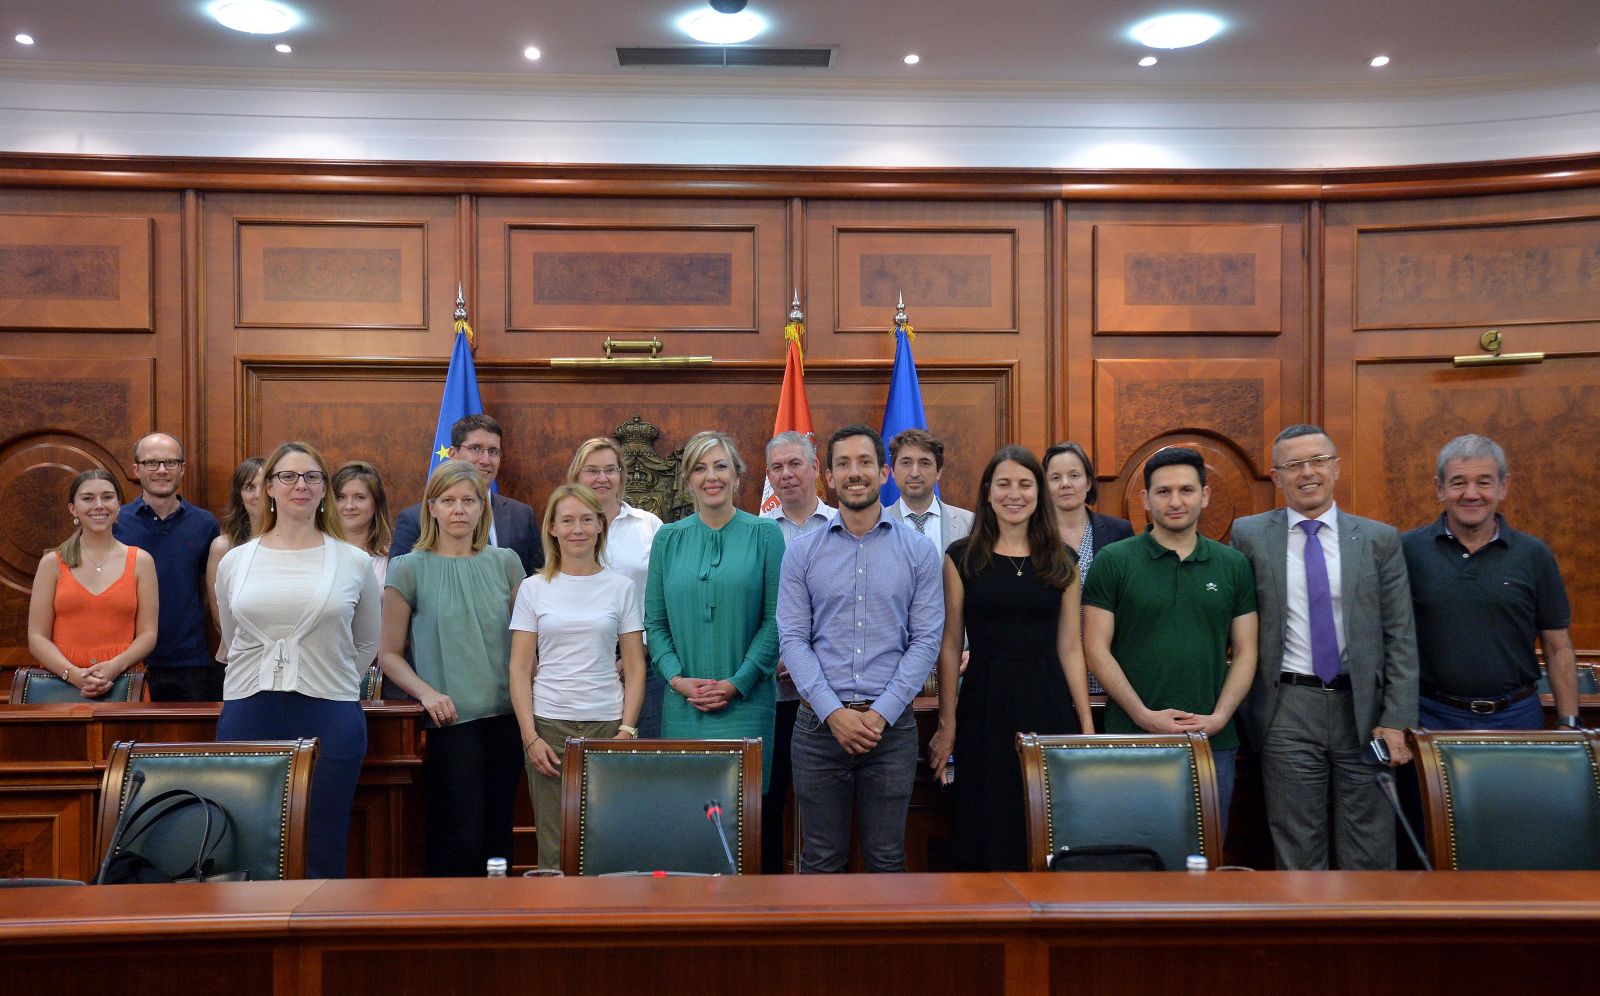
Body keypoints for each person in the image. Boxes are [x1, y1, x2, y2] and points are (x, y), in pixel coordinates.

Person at [1230, 425, 1418, 870]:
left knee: (1370, 844)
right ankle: (1305, 938)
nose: (1307, 473)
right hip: (1287, 707)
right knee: (1296, 842)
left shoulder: (1378, 539)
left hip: (1365, 710)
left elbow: (1401, 636)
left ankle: (1365, 937)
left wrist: (1397, 720)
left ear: (1336, 467)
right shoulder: (1249, 535)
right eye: (1293, 465)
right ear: (1276, 477)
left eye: (1317, 461)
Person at [778, 424, 942, 873]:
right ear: (827, 477)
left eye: (865, 462)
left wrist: (880, 713)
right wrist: (834, 712)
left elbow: (927, 638)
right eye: (843, 464)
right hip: (817, 728)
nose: (855, 473)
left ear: (883, 471)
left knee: (887, 860)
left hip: (891, 730)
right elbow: (793, 638)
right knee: (819, 862)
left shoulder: (919, 551)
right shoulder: (802, 552)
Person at [214, 441, 381, 878]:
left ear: (325, 489)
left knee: (323, 842)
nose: (299, 485)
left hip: (331, 711)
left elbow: (365, 643)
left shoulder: (354, 561)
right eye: (287, 476)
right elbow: (233, 640)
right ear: (269, 487)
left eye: (311, 477)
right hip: (250, 708)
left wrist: (324, 670)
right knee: (246, 841)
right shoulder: (235, 561)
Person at [929, 446, 1091, 871]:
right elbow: (950, 644)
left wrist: (1086, 726)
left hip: (1049, 702)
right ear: (987, 492)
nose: (1014, 494)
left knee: (1047, 817)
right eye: (1004, 484)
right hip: (985, 702)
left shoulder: (1063, 561)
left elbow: (1071, 647)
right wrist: (948, 724)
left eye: (1025, 484)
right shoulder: (961, 558)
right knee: (987, 816)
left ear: (1039, 493)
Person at [1082, 446, 1258, 828]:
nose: (1175, 501)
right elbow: (1095, 648)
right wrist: (1142, 715)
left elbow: (1246, 652)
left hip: (1213, 740)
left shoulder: (1233, 565)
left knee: (1205, 860)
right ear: (1145, 499)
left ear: (1205, 495)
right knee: (1134, 855)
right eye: (1163, 492)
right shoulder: (1114, 560)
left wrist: (1221, 716)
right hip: (1132, 736)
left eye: (1186, 490)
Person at [378, 460, 526, 876]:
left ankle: (499, 924)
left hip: (507, 717)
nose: (458, 509)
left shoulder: (507, 563)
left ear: (483, 508)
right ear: (432, 508)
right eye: (448, 500)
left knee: (499, 831)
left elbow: (528, 642)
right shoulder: (408, 567)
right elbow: (388, 652)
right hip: (450, 719)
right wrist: (426, 693)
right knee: (459, 833)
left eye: (468, 500)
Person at [510, 483, 646, 872]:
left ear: (600, 525)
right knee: (554, 844)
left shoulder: (621, 588)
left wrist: (627, 730)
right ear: (552, 528)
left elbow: (635, 666)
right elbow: (520, 668)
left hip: (606, 725)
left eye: (587, 519)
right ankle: (555, 928)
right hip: (549, 727)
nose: (577, 529)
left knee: (607, 838)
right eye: (567, 520)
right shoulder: (533, 589)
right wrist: (530, 736)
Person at [1402, 434, 1579, 731]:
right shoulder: (1405, 551)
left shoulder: (1533, 554)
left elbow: (1558, 646)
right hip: (1431, 718)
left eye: (1483, 482)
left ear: (1503, 486)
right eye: (1458, 482)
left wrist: (1569, 722)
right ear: (1439, 489)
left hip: (1517, 717)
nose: (1471, 494)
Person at [645, 430, 783, 793]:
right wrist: (676, 680)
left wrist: (736, 684)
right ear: (687, 478)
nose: (712, 477)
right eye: (700, 468)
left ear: (737, 475)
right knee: (685, 820)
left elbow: (775, 622)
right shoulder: (667, 539)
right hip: (682, 704)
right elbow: (655, 623)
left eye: (721, 466)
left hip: (747, 702)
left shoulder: (766, 535)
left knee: (744, 825)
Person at [761, 429, 839, 873]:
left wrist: (807, 663)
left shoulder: (841, 525)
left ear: (816, 471)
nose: (787, 474)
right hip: (769, 693)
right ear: (768, 477)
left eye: (796, 464)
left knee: (823, 813)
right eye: (777, 467)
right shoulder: (757, 532)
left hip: (824, 697)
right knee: (765, 804)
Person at [27, 470, 158, 697]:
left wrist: (114, 667)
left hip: (123, 685)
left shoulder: (141, 562)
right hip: (61, 685)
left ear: (119, 506)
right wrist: (74, 674)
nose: (99, 505)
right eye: (88, 498)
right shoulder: (52, 563)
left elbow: (148, 634)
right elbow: (37, 637)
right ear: (73, 509)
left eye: (107, 497)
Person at [114, 432, 222, 701]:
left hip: (190, 663)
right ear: (136, 469)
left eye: (170, 462)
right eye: (151, 463)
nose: (161, 470)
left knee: (188, 743)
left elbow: (211, 593)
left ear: (182, 469)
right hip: (126, 662)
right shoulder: (116, 522)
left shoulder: (205, 524)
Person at [566, 436, 662, 734]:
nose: (602, 478)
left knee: (643, 761)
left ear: (621, 474)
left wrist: (639, 651)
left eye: (610, 469)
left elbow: (662, 599)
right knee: (590, 768)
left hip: (644, 663)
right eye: (592, 470)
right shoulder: (564, 527)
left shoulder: (649, 526)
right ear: (577, 476)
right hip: (582, 666)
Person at [389, 414, 542, 576]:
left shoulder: (522, 515)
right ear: (453, 454)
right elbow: (399, 582)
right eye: (475, 448)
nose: (485, 460)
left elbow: (537, 581)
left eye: (493, 451)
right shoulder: (415, 519)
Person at [1043, 441, 1134, 695]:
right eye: (1055, 477)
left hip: (1109, 665)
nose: (1065, 484)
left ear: (1088, 482)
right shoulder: (1033, 537)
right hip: (1051, 666)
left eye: (1074, 475)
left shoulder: (1119, 531)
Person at [883, 428, 974, 553]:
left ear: (939, 472)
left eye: (924, 463)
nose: (914, 473)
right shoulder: (877, 524)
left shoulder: (969, 523)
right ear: (893, 471)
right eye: (906, 463)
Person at [205, 456, 265, 634]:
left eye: (265, 487)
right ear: (239, 495)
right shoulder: (222, 547)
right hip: (240, 652)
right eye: (250, 487)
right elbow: (219, 619)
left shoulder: (292, 544)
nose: (258, 495)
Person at [332, 460, 394, 586]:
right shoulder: (317, 549)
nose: (349, 506)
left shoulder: (394, 554)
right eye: (340, 497)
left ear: (376, 503)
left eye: (359, 497)